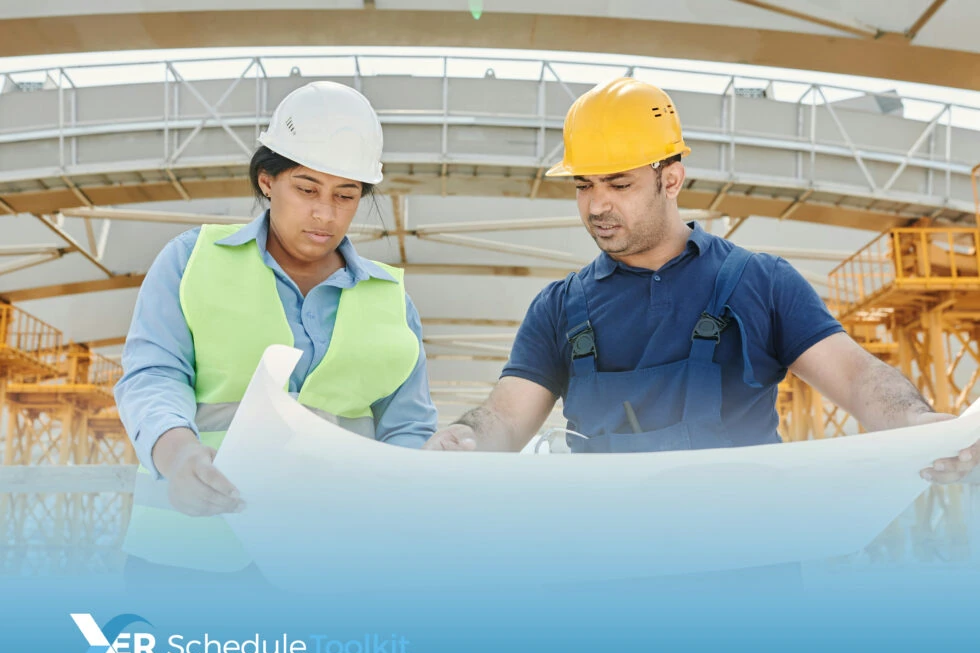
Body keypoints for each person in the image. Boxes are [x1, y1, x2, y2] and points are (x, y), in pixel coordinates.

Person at [424, 77, 978, 484]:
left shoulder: (761, 284)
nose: (596, 205)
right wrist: (465, 438)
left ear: (672, 178)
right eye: (583, 185)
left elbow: (858, 381)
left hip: (744, 573)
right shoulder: (559, 308)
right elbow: (504, 417)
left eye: (618, 184)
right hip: (603, 570)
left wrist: (924, 424)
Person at [116, 81, 437, 583]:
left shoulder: (392, 300)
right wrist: (177, 456)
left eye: (345, 196)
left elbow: (408, 428)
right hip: (186, 560)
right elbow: (153, 374)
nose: (325, 214)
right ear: (268, 180)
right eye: (307, 189)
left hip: (333, 566)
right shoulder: (190, 261)